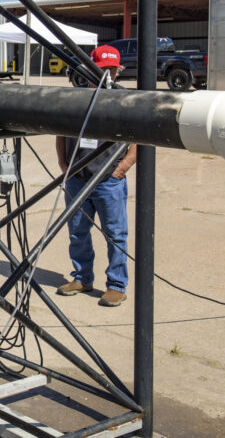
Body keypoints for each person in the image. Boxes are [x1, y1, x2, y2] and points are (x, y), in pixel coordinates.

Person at [55, 45, 137, 308]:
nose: (107, 75)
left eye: (112, 70)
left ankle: (116, 286)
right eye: (102, 70)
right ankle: (82, 277)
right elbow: (61, 132)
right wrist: (63, 162)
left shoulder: (125, 99)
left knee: (115, 234)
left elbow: (139, 136)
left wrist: (123, 166)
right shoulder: (76, 99)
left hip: (108, 180)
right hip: (78, 177)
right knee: (77, 231)